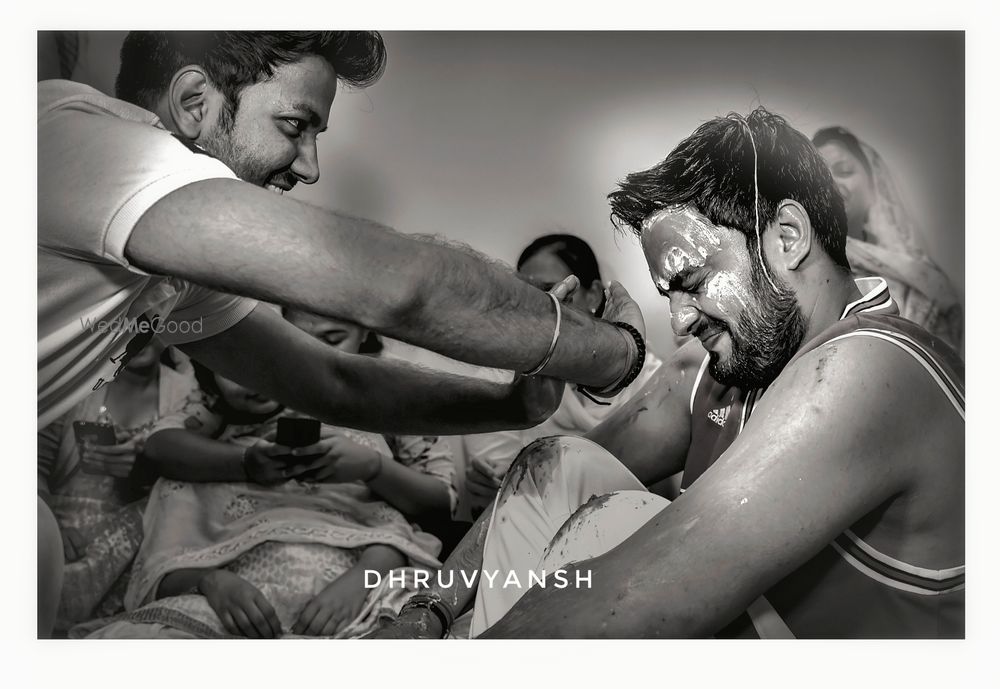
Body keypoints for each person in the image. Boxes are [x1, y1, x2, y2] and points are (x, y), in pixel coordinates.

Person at [37, 31, 645, 635]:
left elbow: (331, 382)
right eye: (295, 125)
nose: (310, 166)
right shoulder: (87, 147)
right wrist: (616, 354)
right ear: (194, 101)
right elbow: (402, 286)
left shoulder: (173, 269)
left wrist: (513, 404)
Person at [373, 108, 964, 639]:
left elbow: (636, 591)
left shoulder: (873, 366)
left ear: (787, 238)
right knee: (561, 463)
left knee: (615, 525)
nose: (679, 321)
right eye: (668, 296)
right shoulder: (713, 371)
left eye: (694, 282)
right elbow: (543, 483)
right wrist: (426, 612)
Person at [82, 363, 449, 639]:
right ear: (209, 382)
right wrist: (211, 582)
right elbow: (167, 552)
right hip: (236, 603)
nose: (253, 382)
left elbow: (398, 525)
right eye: (233, 371)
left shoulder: (349, 435)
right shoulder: (200, 453)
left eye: (265, 365)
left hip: (357, 590)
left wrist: (363, 577)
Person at [463, 234, 663, 515]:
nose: (537, 306)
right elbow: (497, 485)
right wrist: (490, 488)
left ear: (593, 295)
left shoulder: (650, 380)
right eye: (526, 293)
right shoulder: (504, 376)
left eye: (551, 290)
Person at [36, 339, 206, 634]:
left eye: (150, 324)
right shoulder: (76, 386)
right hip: (63, 536)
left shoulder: (189, 395)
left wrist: (144, 473)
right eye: (130, 323)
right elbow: (31, 465)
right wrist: (49, 523)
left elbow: (191, 483)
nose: (139, 335)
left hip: (142, 546)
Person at [812, 126, 963, 350]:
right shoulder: (803, 270)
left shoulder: (920, 277)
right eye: (820, 177)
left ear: (874, 185)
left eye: (844, 170)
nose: (831, 183)